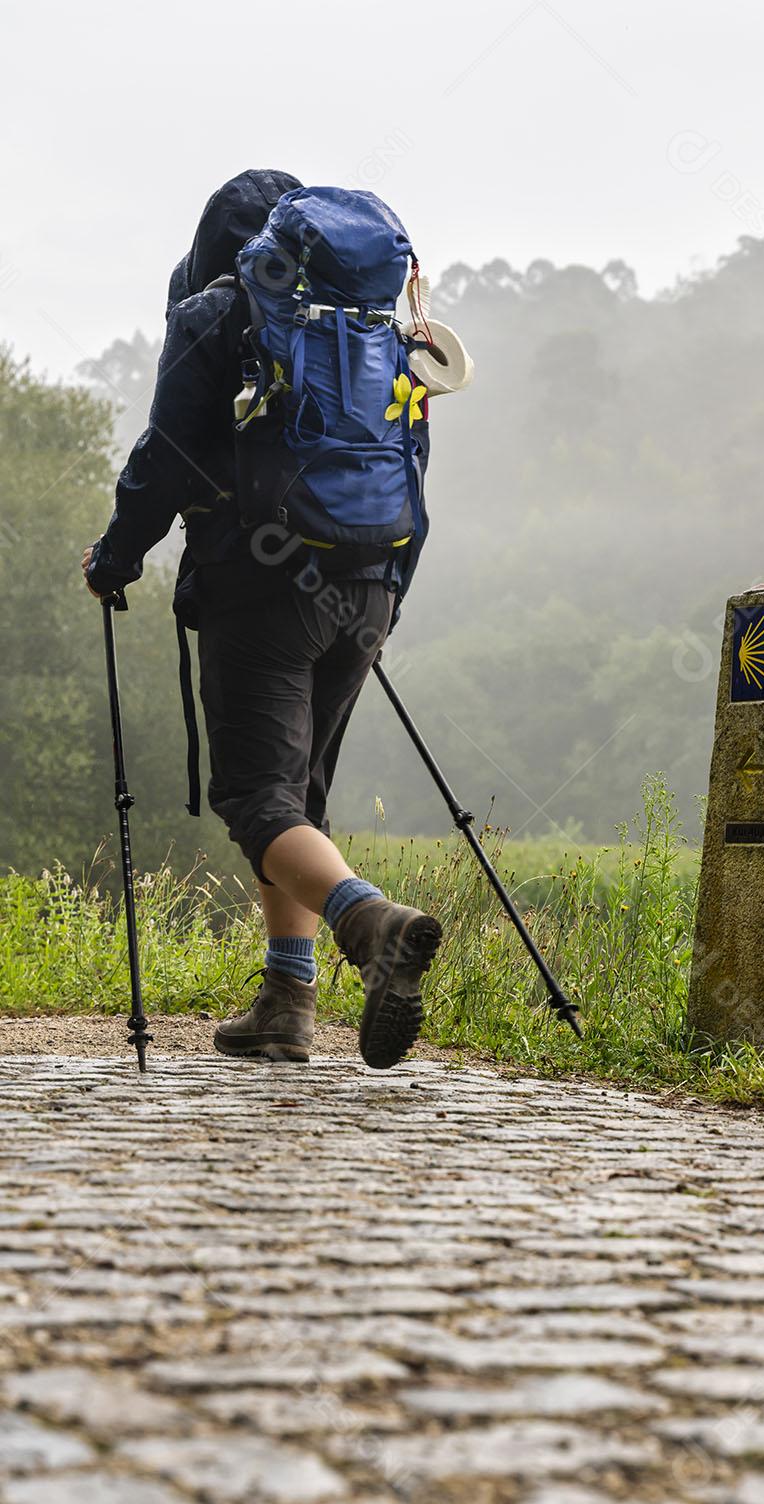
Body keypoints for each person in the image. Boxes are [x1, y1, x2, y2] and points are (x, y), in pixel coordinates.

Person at [82, 170, 441, 1068]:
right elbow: (414, 456)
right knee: (299, 796)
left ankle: (370, 924)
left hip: (262, 584)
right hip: (368, 584)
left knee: (256, 796)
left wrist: (117, 556)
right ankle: (287, 999)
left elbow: (163, 458)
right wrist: (387, 587)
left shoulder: (217, 315)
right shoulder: (374, 329)